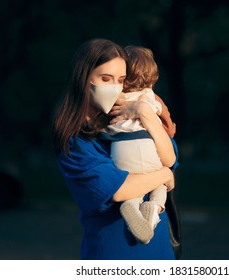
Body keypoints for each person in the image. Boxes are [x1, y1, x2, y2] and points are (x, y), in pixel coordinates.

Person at [52, 38, 178, 260]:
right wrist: (164, 174)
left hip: (160, 254)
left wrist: (145, 112)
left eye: (121, 80)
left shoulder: (134, 121)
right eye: (105, 78)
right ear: (83, 78)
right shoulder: (75, 140)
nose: (114, 87)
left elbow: (171, 155)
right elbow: (119, 189)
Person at [102, 46, 176, 244]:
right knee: (158, 181)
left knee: (133, 183)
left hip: (120, 149)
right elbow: (166, 119)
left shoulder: (117, 99)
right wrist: (167, 125)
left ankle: (132, 205)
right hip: (146, 145)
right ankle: (154, 209)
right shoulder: (150, 98)